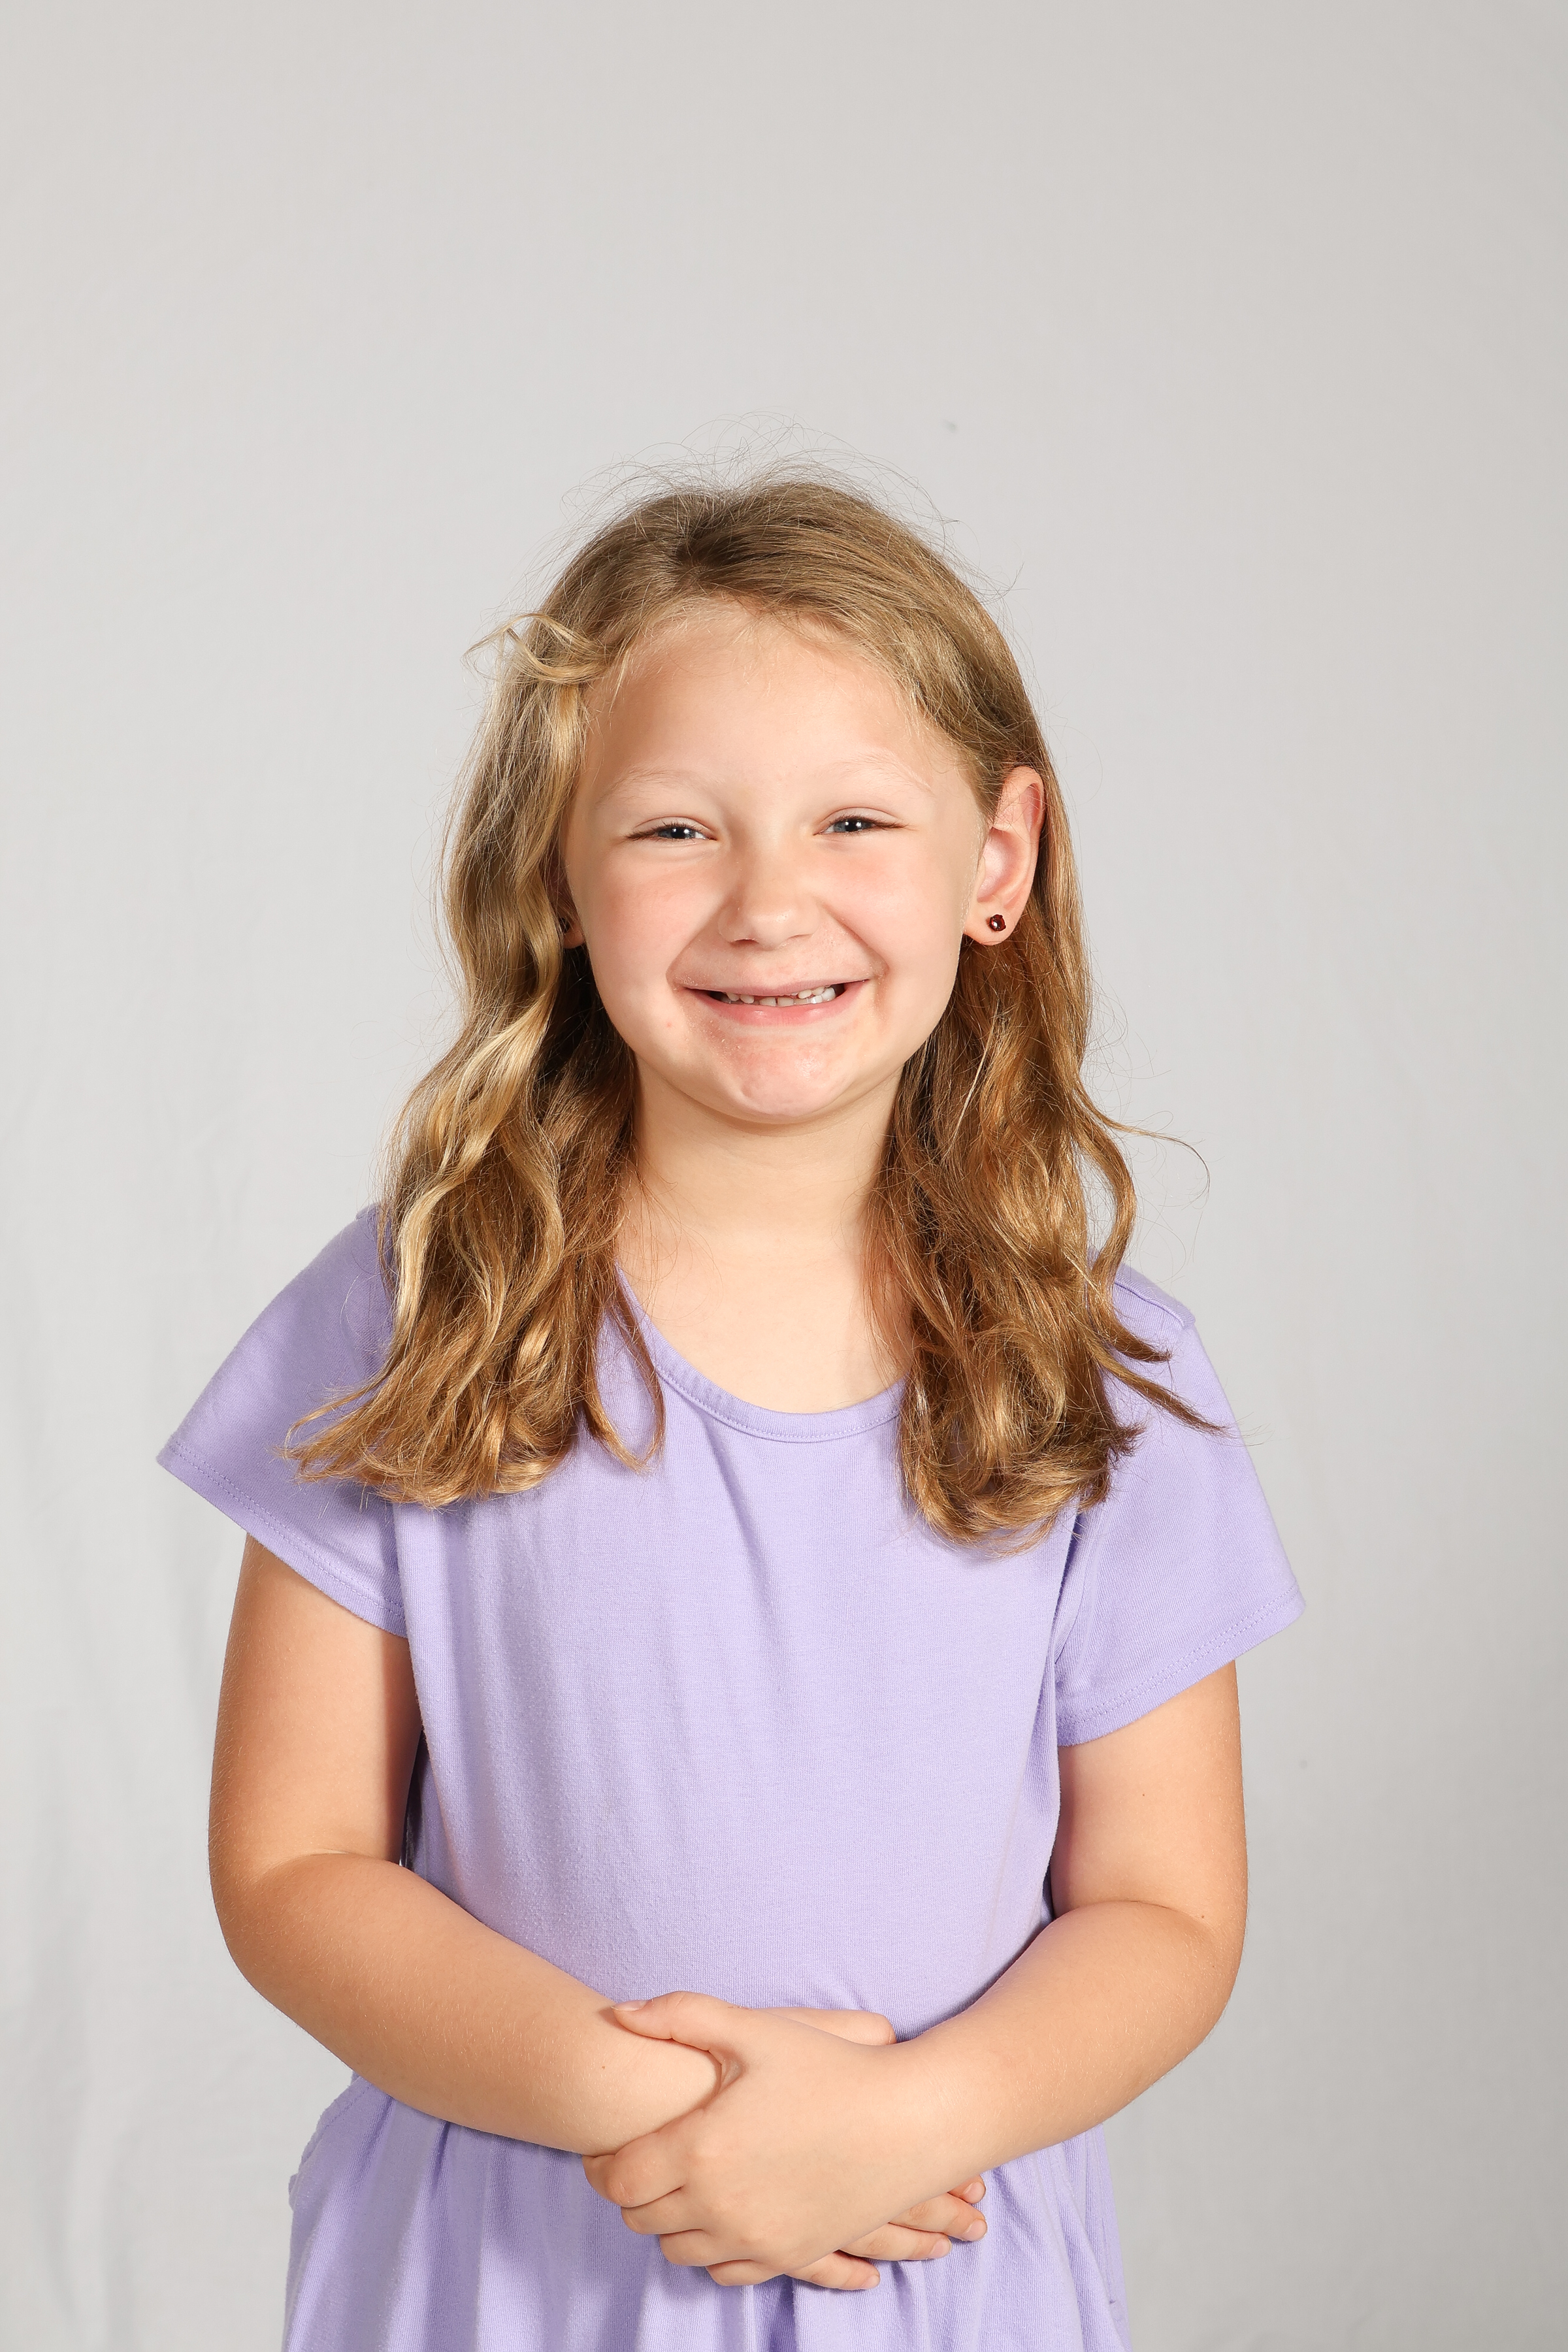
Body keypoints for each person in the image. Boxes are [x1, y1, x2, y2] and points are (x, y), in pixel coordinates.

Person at [159, 472, 1303, 2351]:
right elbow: (294, 1865)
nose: (772, 904)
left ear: (998, 857)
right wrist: (663, 2115)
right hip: (505, 2276)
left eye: (855, 819)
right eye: (677, 828)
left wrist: (898, 2126)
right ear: (556, 869)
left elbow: (1167, 1913)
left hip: (928, 2262)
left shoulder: (1106, 1385)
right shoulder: (420, 1312)